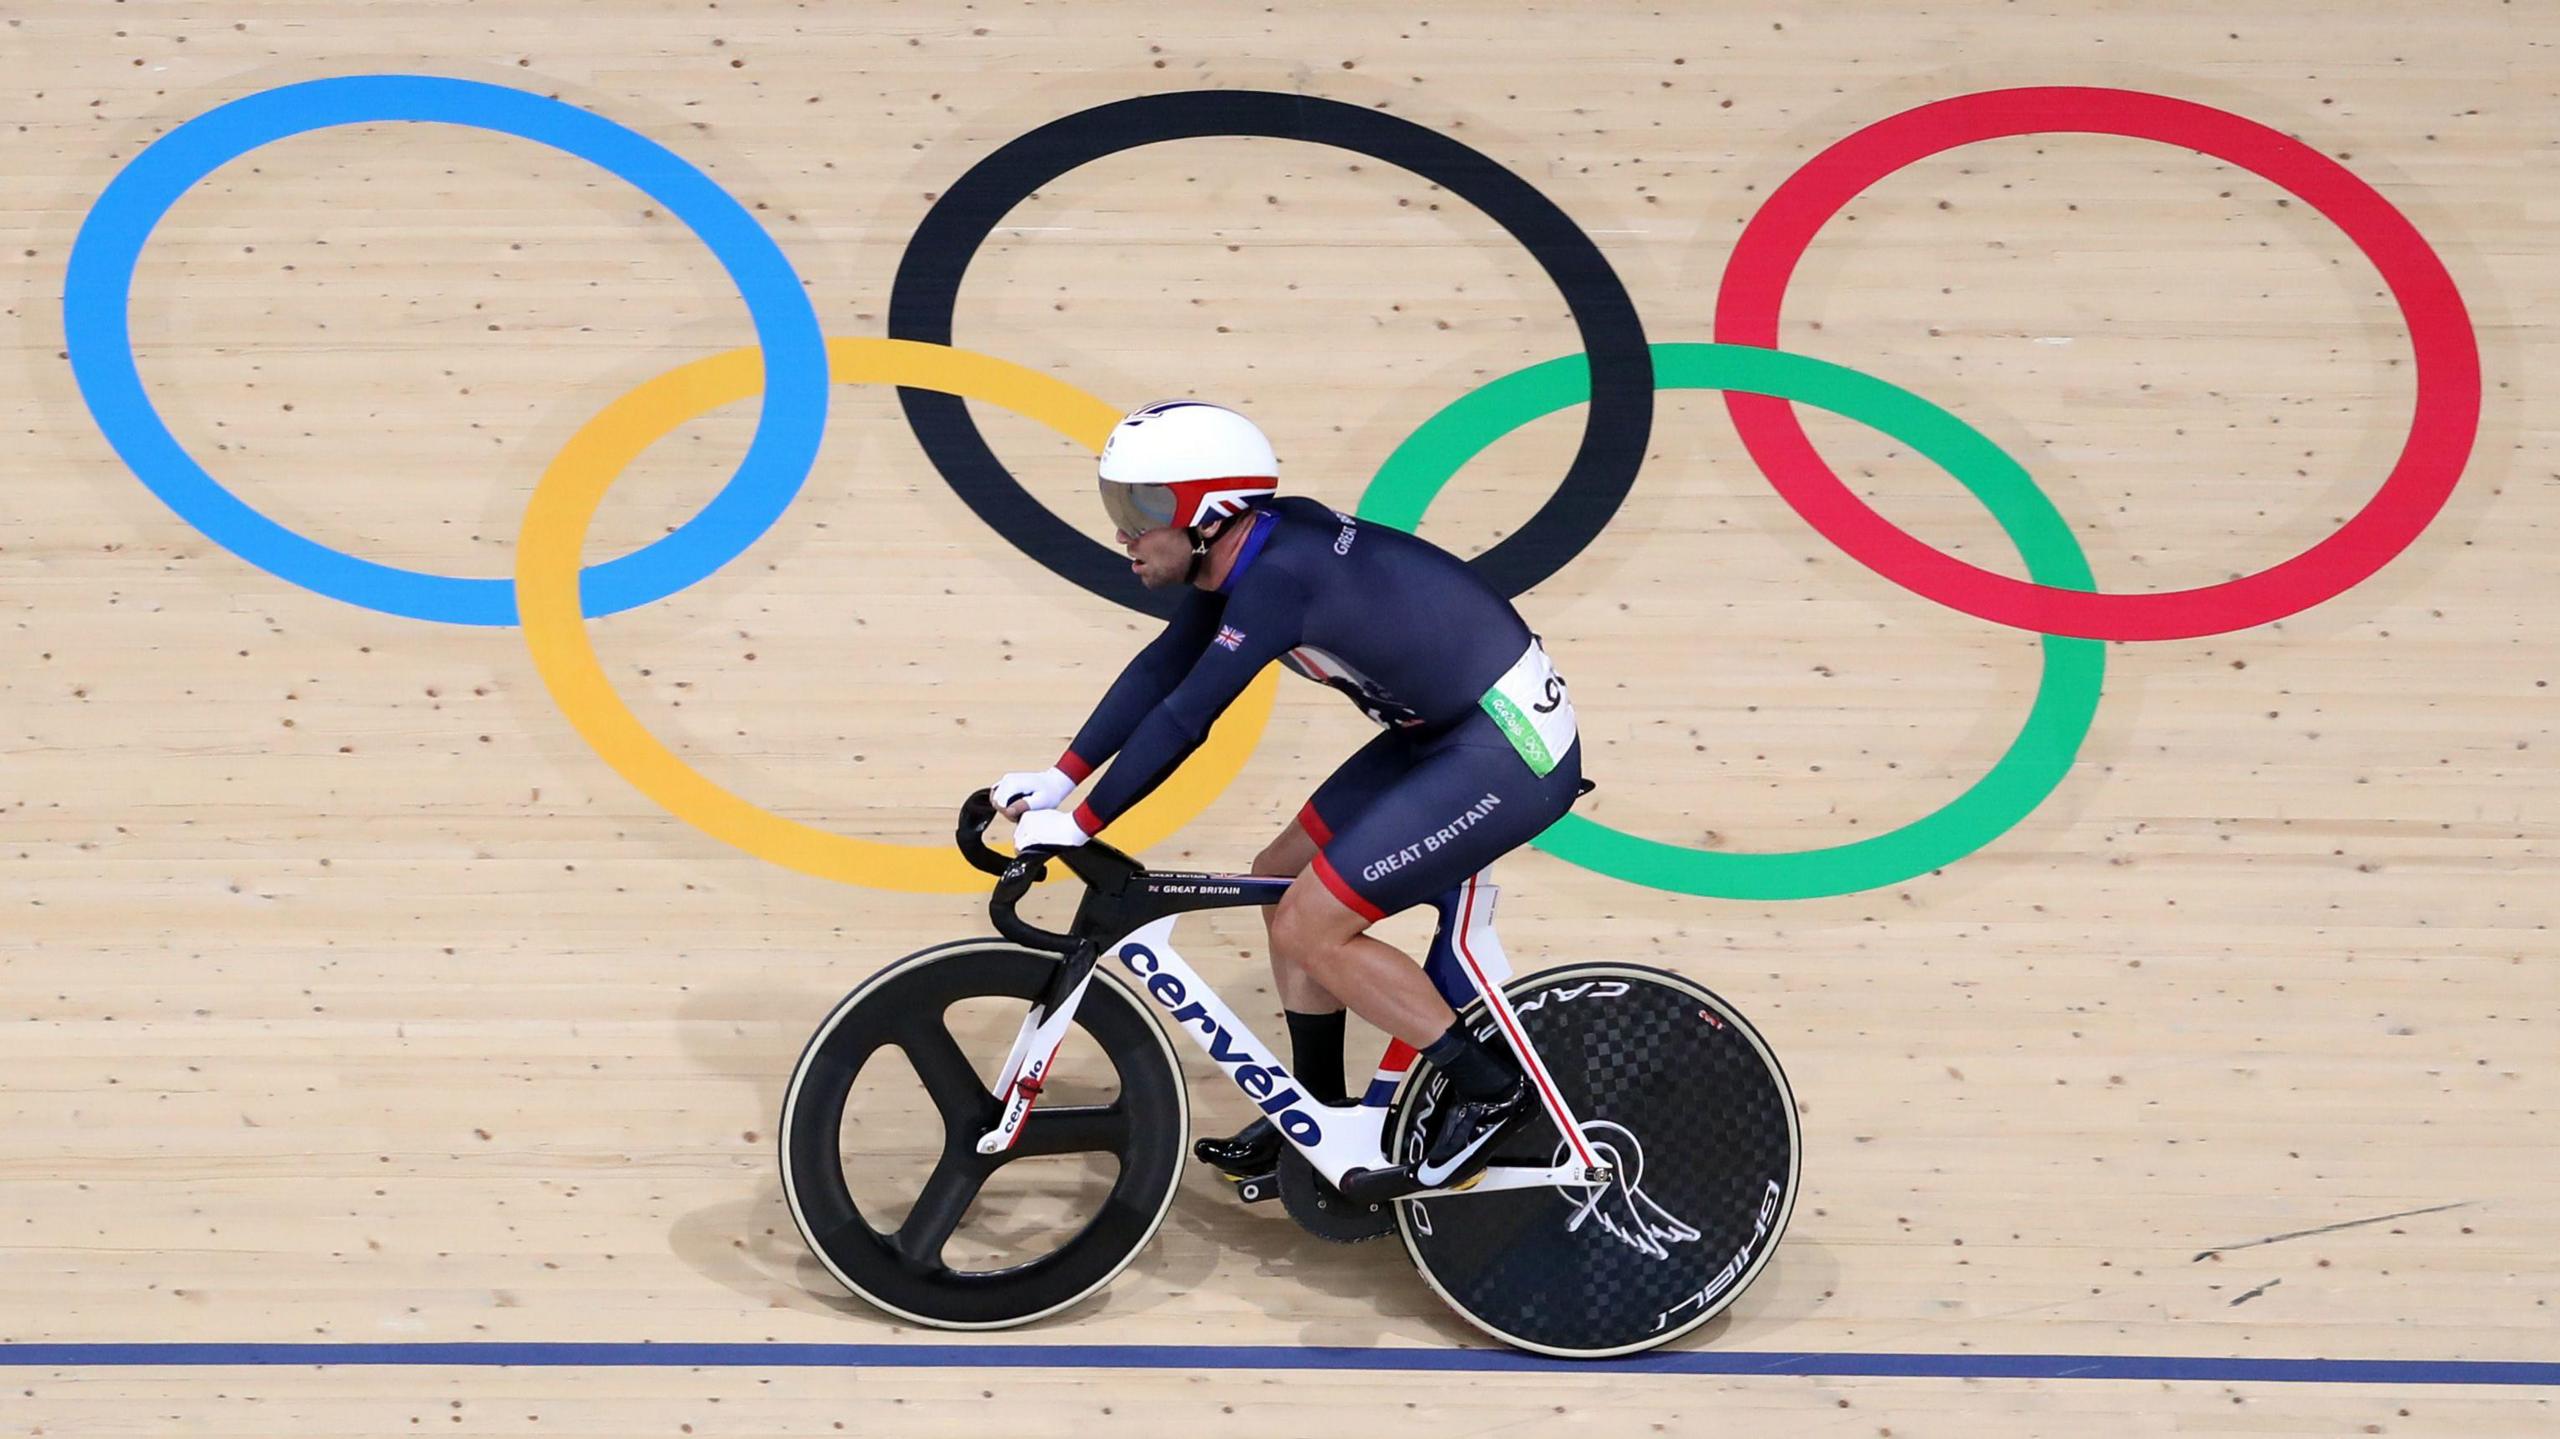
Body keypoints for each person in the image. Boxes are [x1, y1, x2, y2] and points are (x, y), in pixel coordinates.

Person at [993, 399, 1584, 1190]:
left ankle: (1492, 1087)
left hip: (1505, 747)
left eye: (1140, 507)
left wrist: (1083, 824)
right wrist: (1061, 778)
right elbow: (1163, 668)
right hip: (1439, 730)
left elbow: (1187, 716)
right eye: (1118, 501)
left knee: (1314, 922)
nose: (1122, 530)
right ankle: (1319, 1111)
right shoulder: (1248, 550)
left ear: (1208, 511)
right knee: (1279, 880)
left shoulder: (1282, 576)